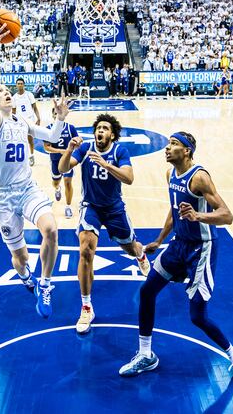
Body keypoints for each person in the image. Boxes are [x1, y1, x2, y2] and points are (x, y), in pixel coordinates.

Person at [118, 132, 233, 386]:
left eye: (174, 145)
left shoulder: (200, 177)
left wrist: (199, 217)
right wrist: (160, 240)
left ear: (188, 151)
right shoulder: (170, 175)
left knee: (197, 317)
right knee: (147, 291)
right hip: (178, 245)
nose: (167, 148)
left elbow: (227, 216)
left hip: (201, 249)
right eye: (168, 144)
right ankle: (146, 355)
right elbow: (174, 210)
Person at [0, 20, 69, 318]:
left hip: (27, 189)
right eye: (3, 93)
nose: (6, 94)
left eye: (9, 93)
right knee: (19, 257)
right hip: (3, 197)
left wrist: (59, 117)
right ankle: (25, 275)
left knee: (52, 231)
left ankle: (45, 284)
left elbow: (53, 137)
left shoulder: (21, 122)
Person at [58, 113, 150, 334]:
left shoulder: (120, 151)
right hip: (91, 207)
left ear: (112, 134)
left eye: (105, 128)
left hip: (114, 209)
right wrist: (69, 149)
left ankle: (140, 255)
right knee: (86, 251)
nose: (100, 131)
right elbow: (62, 168)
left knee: (130, 247)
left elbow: (129, 178)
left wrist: (106, 165)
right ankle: (87, 306)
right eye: (98, 127)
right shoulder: (85, 148)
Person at [43, 108, 78, 219]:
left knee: (68, 182)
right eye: (55, 113)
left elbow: (78, 142)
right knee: (56, 182)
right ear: (53, 115)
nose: (57, 115)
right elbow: (46, 147)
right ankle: (57, 189)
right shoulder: (48, 129)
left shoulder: (70, 128)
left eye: (59, 113)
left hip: (67, 160)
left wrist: (76, 145)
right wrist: (60, 151)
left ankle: (68, 207)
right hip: (55, 160)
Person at [11, 78, 41, 166]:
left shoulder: (29, 95)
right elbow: (13, 112)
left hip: (30, 120)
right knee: (20, 139)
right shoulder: (14, 97)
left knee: (30, 139)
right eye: (18, 83)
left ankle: (31, 156)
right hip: (20, 121)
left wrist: (38, 118)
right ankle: (22, 157)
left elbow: (35, 107)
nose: (20, 85)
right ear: (16, 85)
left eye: (21, 83)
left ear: (24, 85)